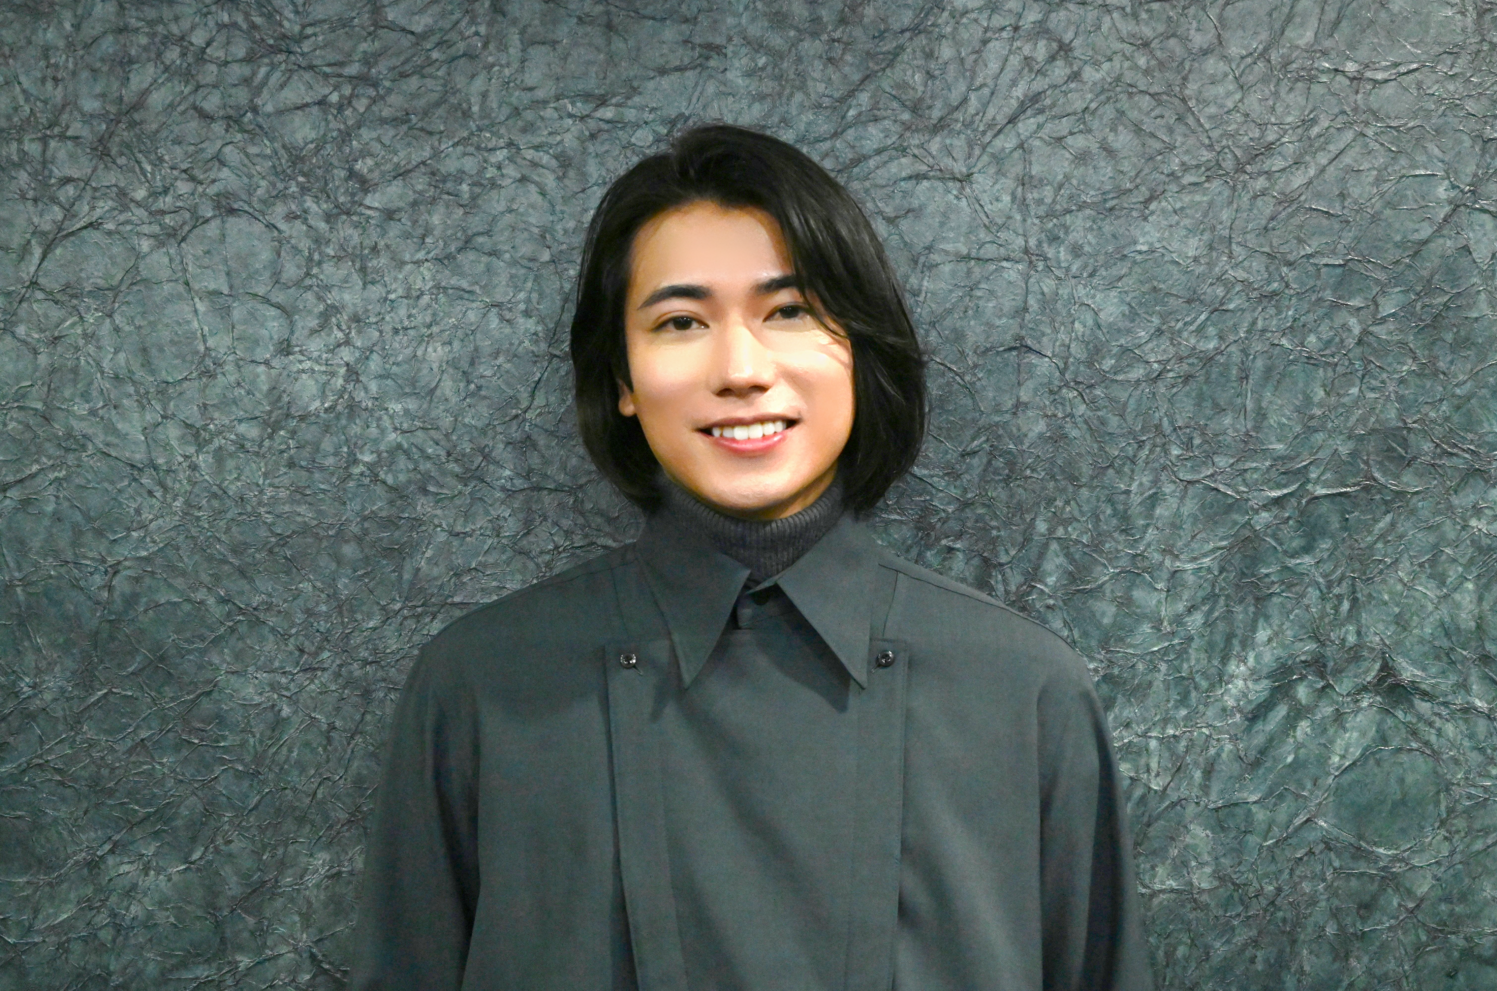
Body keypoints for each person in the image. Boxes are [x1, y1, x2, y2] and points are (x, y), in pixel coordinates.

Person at [351, 124, 1152, 991]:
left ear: (861, 349)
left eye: (790, 311)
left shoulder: (1025, 692)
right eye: (681, 321)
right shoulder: (482, 687)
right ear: (621, 379)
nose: (740, 368)